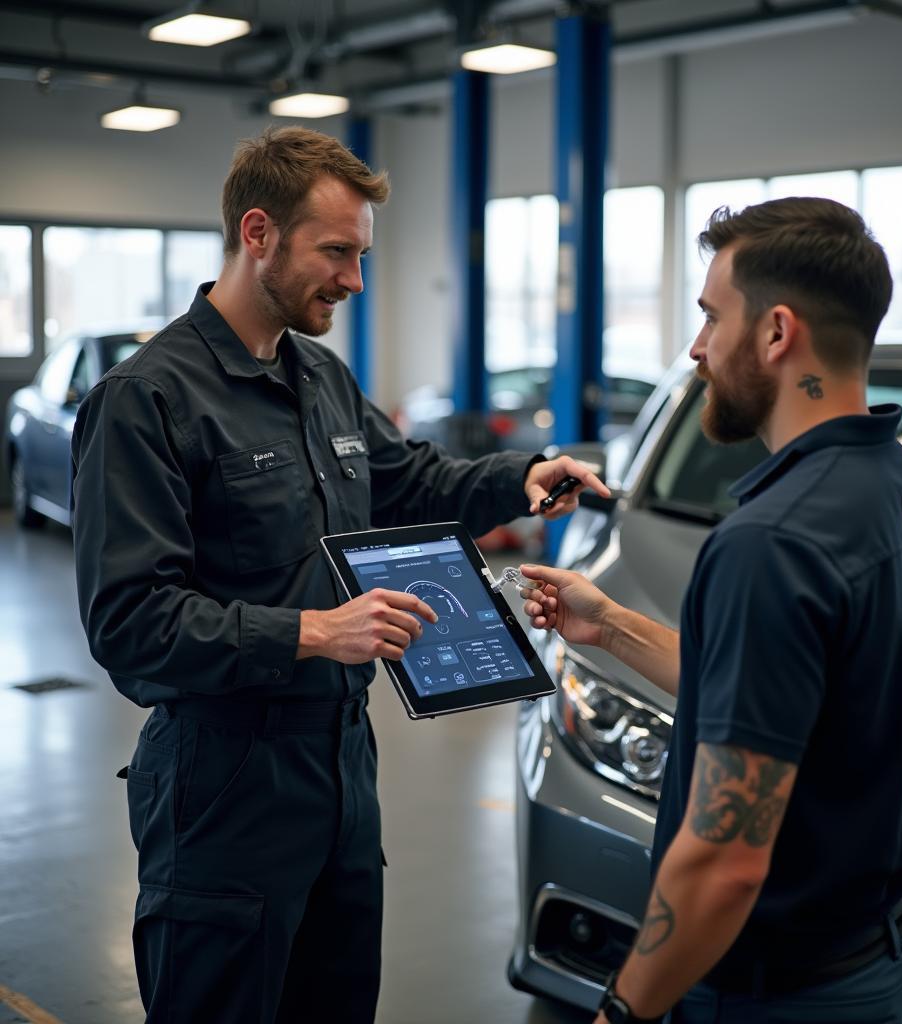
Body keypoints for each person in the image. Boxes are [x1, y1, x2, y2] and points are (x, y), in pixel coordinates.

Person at [71, 124, 607, 1024]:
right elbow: (130, 626)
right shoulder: (146, 400)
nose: (355, 281)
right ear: (257, 233)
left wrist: (519, 480)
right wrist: (316, 632)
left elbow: (408, 483)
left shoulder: (320, 375)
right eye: (337, 253)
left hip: (341, 772)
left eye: (362, 255)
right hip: (224, 780)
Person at [521, 197, 902, 1024]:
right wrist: (610, 624)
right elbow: (778, 699)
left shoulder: (772, 541)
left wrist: (625, 1009)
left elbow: (723, 859)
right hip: (893, 957)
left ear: (775, 333)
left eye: (709, 317)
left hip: (787, 996)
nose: (695, 349)